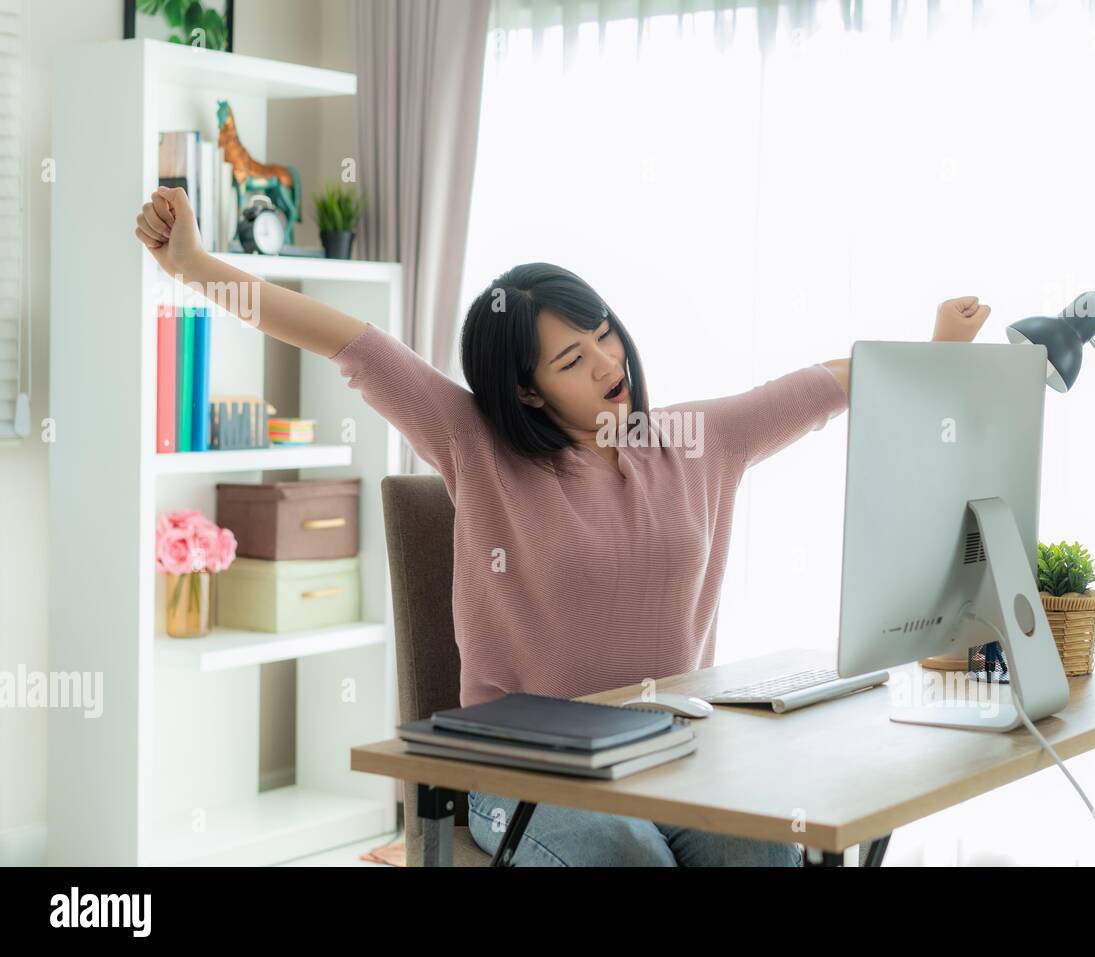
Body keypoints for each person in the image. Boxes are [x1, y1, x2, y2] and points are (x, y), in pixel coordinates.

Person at [135, 185, 989, 866]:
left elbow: (824, 386)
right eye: (574, 359)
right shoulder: (479, 446)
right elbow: (354, 345)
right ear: (531, 390)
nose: (610, 364)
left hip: (672, 752)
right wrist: (195, 265)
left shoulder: (695, 440)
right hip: (520, 768)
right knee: (627, 855)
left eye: (605, 335)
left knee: (767, 848)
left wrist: (934, 357)